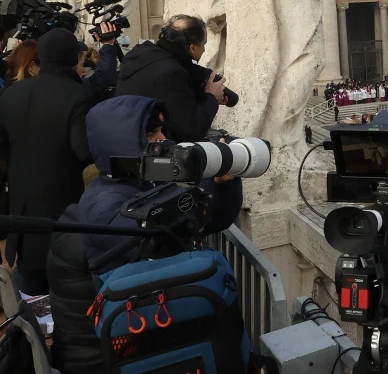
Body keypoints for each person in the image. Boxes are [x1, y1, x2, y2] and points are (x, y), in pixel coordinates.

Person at [46, 95, 243, 371]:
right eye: (151, 134)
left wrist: (222, 183)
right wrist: (199, 188)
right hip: (114, 353)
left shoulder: (140, 183)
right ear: (121, 143)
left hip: (137, 333)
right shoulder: (104, 204)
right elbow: (163, 241)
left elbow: (213, 220)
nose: (163, 139)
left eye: (162, 130)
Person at [0, 29, 93, 294]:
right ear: (72, 59)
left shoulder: (13, 91)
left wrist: (21, 161)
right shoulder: (78, 95)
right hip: (63, 202)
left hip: (22, 201)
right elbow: (82, 150)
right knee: (67, 282)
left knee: (30, 281)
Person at [115, 14, 232, 143]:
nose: (204, 49)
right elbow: (191, 131)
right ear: (192, 48)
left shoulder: (141, 56)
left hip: (123, 140)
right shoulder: (172, 72)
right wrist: (211, 98)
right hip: (146, 149)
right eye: (203, 44)